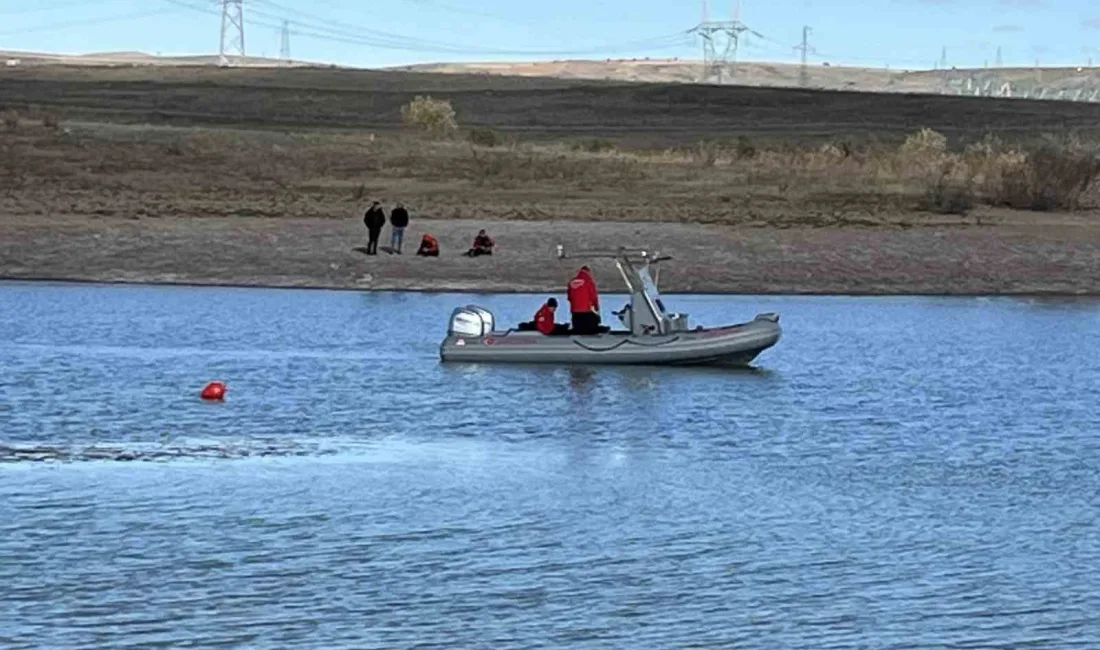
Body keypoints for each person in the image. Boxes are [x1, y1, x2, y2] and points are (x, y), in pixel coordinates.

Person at [567, 265, 602, 335]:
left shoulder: (572, 281)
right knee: (592, 323)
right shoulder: (588, 281)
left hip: (575, 311)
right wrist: (596, 306)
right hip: (586, 310)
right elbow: (593, 296)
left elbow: (569, 297)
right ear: (588, 272)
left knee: (577, 328)